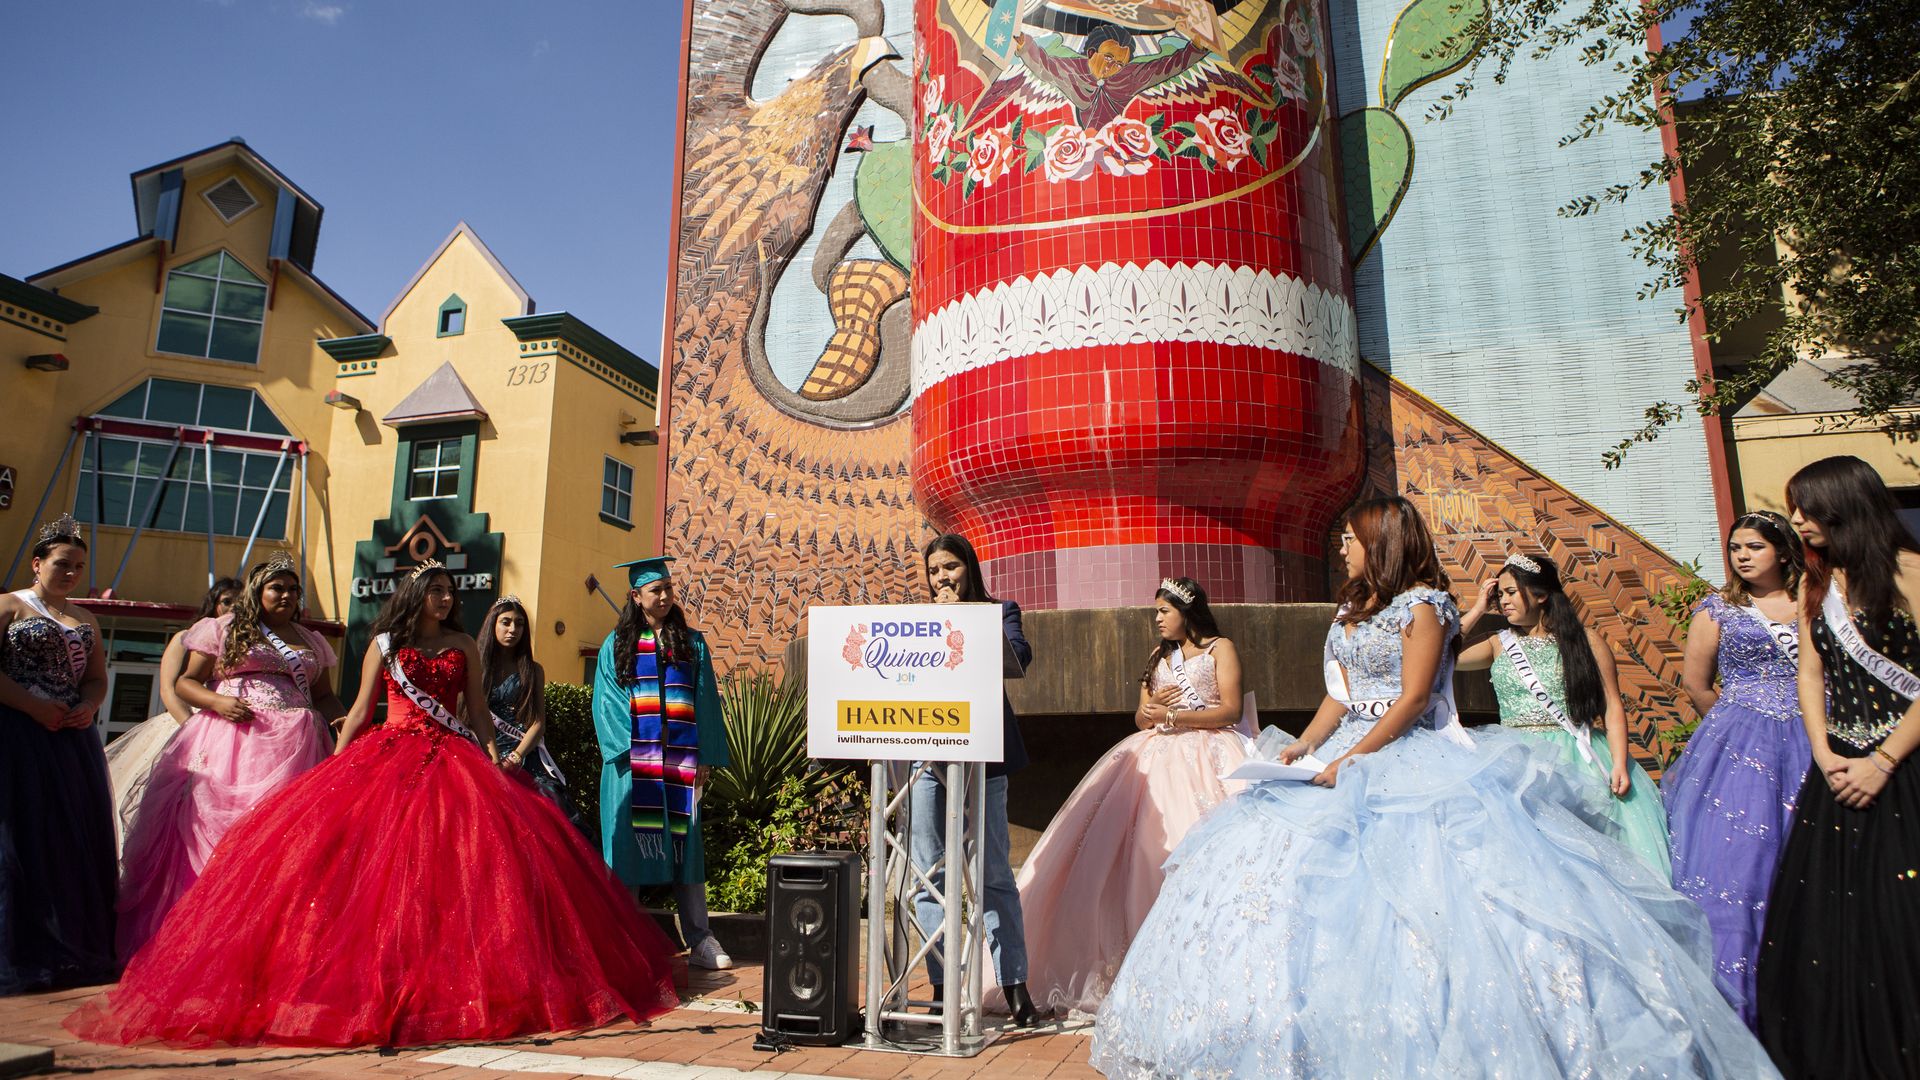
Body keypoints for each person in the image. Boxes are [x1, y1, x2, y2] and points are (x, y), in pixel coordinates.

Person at [1090, 497, 1776, 1078]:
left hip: (1408, 756)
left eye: (1351, 540)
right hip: (1343, 746)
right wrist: (1304, 742)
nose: (1341, 549)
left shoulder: (1426, 606)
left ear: (1381, 542)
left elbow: (1415, 697)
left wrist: (1351, 758)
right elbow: (1341, 694)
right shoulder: (1350, 608)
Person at [66, 562, 679, 1046]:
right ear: (416, 595)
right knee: (370, 875)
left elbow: (473, 713)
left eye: (448, 590)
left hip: (453, 760)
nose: (444, 598)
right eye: (434, 590)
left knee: (458, 872)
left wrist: (494, 757)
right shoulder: (382, 642)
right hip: (385, 757)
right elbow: (357, 711)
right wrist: (333, 769)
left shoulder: (466, 640)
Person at [1006, 576, 1248, 1017]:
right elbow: (1141, 717)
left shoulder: (1220, 649)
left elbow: (1230, 710)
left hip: (1209, 756)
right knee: (1134, 855)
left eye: (1163, 611)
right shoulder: (1160, 655)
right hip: (1156, 754)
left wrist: (1176, 712)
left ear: (1187, 612)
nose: (1156, 619)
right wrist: (1153, 711)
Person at [1757, 456, 1920, 1076]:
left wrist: (1881, 761)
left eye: (1807, 507)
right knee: (1832, 933)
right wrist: (1823, 751)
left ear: (1845, 504)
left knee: (1898, 920)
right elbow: (1811, 670)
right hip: (1838, 772)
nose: (1796, 519)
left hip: (1902, 770)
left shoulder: (1910, 573)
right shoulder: (1815, 585)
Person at [115, 553, 340, 957]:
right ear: (258, 591)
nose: (286, 595)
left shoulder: (310, 641)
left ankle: (269, 941)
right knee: (231, 832)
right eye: (277, 588)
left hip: (299, 746)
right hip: (237, 741)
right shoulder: (226, 628)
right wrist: (217, 704)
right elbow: (187, 682)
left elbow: (323, 695)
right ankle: (204, 936)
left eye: (293, 589)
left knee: (284, 839)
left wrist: (342, 721)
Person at [1664, 511, 1807, 1028]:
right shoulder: (1718, 608)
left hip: (1814, 736)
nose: (1742, 556)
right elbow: (1698, 683)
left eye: (1754, 547)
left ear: (1785, 551)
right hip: (1738, 743)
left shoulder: (1814, 601)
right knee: (1739, 859)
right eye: (1735, 548)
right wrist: (1737, 733)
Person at [1458, 552, 1672, 879]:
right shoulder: (1496, 644)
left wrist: (1618, 762)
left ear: (1541, 595)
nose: (1504, 601)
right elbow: (1443, 658)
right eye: (1500, 594)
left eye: (1511, 592)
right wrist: (1476, 609)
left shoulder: (1584, 641)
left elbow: (1612, 704)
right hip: (1515, 757)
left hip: (1575, 757)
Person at [910, 534, 1037, 1026]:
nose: (943, 578)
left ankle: (1014, 985)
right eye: (935, 571)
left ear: (970, 567)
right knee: (928, 872)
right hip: (926, 755)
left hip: (985, 752)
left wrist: (961, 620)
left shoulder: (1000, 610)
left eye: (951, 567)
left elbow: (1018, 658)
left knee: (993, 872)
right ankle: (942, 986)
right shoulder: (916, 624)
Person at [592, 557, 734, 970]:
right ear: (636, 597)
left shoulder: (692, 642)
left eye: (669, 587)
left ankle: (701, 938)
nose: (666, 595)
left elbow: (705, 700)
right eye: (656, 590)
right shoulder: (614, 646)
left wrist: (704, 755)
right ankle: (619, 939)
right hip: (633, 764)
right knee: (626, 850)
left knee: (686, 849)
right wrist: (636, 749)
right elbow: (607, 703)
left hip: (679, 763)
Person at [0, 514, 114, 994]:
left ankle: (67, 942)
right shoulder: (9, 606)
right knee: (19, 836)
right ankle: (19, 947)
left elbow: (95, 676)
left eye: (79, 566)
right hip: (14, 735)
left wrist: (88, 706)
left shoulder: (85, 619)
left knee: (68, 839)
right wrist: (32, 706)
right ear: (37, 563)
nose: (70, 573)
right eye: (62, 563)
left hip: (69, 741)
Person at [106, 577, 240, 857]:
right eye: (226, 600)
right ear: (214, 604)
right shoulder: (186, 637)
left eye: (239, 600)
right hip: (185, 724)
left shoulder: (242, 640)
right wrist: (191, 728)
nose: (233, 606)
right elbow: (170, 688)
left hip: (224, 728)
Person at [480, 595, 581, 829]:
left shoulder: (533, 671)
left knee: (550, 821)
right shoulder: (475, 667)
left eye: (519, 623)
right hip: (482, 755)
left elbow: (538, 723)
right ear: (492, 624)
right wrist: (494, 760)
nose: (513, 629)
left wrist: (515, 758)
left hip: (524, 757)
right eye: (505, 622)